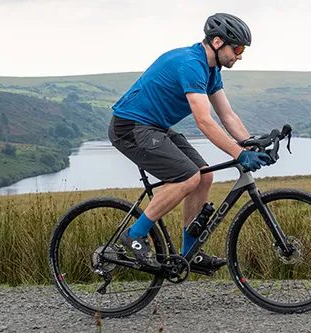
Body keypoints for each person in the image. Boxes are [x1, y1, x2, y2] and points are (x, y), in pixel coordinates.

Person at [108, 13, 271, 273]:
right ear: (218, 42)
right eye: (237, 48)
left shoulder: (211, 70)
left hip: (154, 127)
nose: (240, 55)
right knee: (188, 178)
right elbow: (204, 121)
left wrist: (250, 143)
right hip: (129, 127)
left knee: (204, 176)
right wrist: (239, 154)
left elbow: (227, 115)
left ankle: (189, 253)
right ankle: (134, 235)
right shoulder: (191, 64)